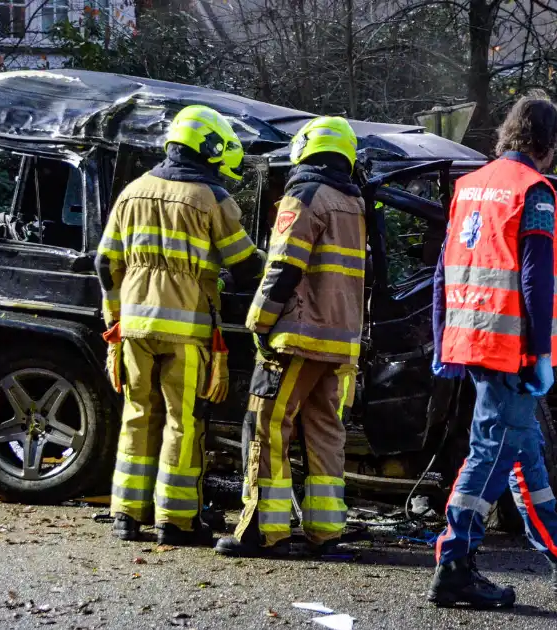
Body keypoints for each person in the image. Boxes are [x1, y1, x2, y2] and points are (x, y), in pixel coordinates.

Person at [427, 94, 557, 608]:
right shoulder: (535, 191)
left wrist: (444, 340)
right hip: (510, 348)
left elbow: (444, 270)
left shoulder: (468, 187)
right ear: (548, 144)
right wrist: (538, 355)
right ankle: (454, 563)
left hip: (471, 338)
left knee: (523, 453)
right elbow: (536, 280)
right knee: (491, 453)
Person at [97, 105, 263, 545]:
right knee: (182, 421)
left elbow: (104, 262)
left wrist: (114, 318)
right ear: (207, 148)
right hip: (187, 332)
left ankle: (126, 517)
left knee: (137, 416)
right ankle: (176, 520)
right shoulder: (211, 198)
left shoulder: (132, 191)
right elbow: (246, 265)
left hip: (133, 327)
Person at [215, 116, 365, 558]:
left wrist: (259, 323)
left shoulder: (304, 196)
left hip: (296, 336)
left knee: (267, 425)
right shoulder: (353, 203)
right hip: (338, 341)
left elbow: (283, 267)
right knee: (324, 431)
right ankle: (326, 532)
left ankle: (262, 529)